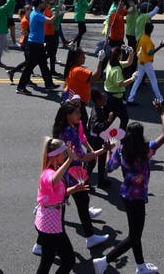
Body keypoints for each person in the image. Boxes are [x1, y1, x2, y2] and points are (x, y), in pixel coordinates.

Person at [92, 99, 164, 274]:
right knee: (134, 236)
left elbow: (109, 168)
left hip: (126, 195)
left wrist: (108, 151)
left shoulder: (122, 150)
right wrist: (161, 112)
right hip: (138, 198)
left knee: (135, 233)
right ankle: (104, 261)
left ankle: (141, 266)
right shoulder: (146, 150)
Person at [50, 99, 108, 254]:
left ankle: (42, 243)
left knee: (64, 207)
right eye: (76, 113)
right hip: (74, 174)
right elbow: (82, 157)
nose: (80, 116)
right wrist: (103, 150)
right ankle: (89, 238)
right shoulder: (70, 132)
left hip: (63, 172)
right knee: (79, 204)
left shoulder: (60, 129)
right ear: (68, 115)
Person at [32, 137, 82, 274]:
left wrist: (74, 189)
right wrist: (70, 160)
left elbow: (57, 192)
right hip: (50, 225)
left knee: (48, 261)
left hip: (51, 222)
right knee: (67, 260)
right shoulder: (48, 173)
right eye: (64, 153)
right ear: (56, 155)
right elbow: (53, 181)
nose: (65, 155)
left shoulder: (55, 169)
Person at [16, 0, 56, 95]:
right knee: (29, 66)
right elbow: (50, 21)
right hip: (34, 44)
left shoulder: (36, 13)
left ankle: (49, 84)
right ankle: (20, 87)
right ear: (39, 4)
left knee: (43, 64)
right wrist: (57, 14)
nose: (44, 4)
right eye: (43, 2)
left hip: (37, 43)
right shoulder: (37, 14)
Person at [126, 22, 164, 106]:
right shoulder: (148, 40)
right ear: (151, 31)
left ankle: (130, 99)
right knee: (153, 81)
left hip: (140, 62)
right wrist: (160, 47)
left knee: (137, 81)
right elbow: (150, 53)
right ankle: (160, 99)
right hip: (146, 63)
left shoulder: (142, 37)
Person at [103, 44, 136, 130]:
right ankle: (100, 133)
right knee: (121, 119)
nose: (122, 55)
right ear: (118, 56)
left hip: (110, 96)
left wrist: (131, 52)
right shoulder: (117, 70)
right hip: (116, 98)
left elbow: (129, 62)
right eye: (121, 54)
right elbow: (120, 84)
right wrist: (132, 78)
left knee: (119, 118)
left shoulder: (111, 63)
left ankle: (99, 132)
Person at [87, 89, 113, 188]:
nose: (105, 99)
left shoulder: (99, 108)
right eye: (103, 98)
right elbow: (96, 127)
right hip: (94, 141)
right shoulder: (96, 113)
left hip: (99, 139)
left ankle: (101, 181)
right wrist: (108, 121)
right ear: (98, 101)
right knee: (91, 162)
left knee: (102, 160)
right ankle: (85, 183)